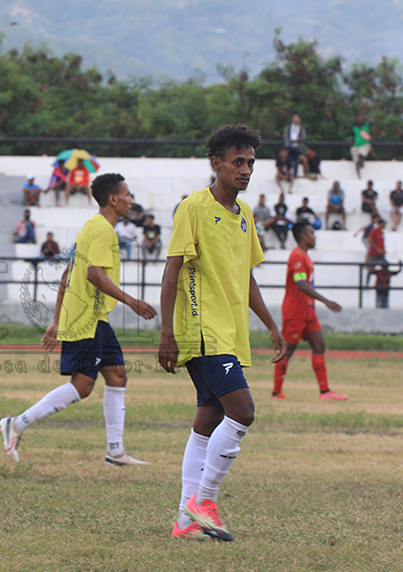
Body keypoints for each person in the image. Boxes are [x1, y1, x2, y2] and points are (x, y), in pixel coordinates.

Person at [159, 124, 287, 542]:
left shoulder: (245, 214)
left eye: (250, 162)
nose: (245, 169)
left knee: (208, 419)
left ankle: (185, 520)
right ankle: (205, 502)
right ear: (216, 164)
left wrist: (270, 324)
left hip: (230, 332)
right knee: (243, 411)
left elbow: (245, 277)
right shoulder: (193, 208)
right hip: (202, 330)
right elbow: (172, 272)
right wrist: (167, 333)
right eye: (237, 162)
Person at [0, 173, 157, 466]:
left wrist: (56, 320)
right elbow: (93, 274)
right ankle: (17, 423)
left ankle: (115, 451)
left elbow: (67, 274)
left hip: (94, 318)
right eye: (127, 195)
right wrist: (132, 302)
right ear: (113, 199)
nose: (131, 200)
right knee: (83, 386)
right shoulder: (103, 231)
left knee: (117, 375)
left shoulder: (92, 227)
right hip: (86, 319)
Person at [272, 222, 347, 401]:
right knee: (287, 350)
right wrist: (326, 301)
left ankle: (325, 392)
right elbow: (301, 283)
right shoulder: (296, 257)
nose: (314, 237)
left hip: (308, 311)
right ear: (303, 236)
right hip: (295, 311)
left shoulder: (305, 256)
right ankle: (276, 392)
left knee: (319, 345)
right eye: (311, 233)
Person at [351, 114, 372, 179]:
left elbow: (372, 121)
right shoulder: (354, 128)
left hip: (364, 144)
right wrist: (352, 147)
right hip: (356, 145)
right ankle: (358, 176)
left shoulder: (366, 125)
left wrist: (366, 116)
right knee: (356, 162)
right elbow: (352, 138)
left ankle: (361, 163)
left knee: (361, 154)